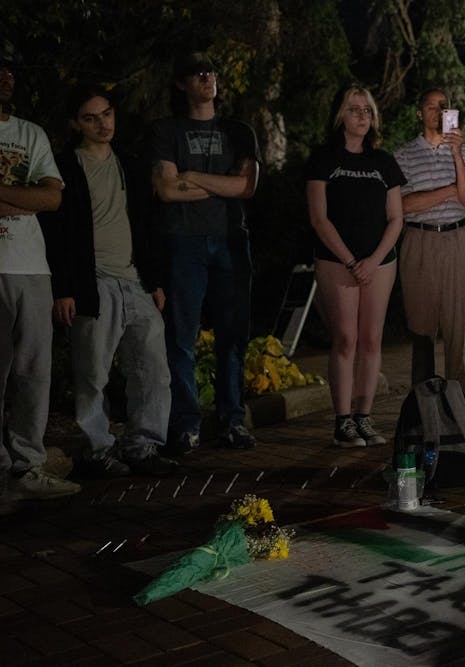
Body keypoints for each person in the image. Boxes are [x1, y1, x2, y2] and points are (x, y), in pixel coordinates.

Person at [39, 84, 177, 478]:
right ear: (75, 123)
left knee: (152, 368)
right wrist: (63, 288)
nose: (102, 124)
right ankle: (97, 450)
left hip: (135, 281)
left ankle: (142, 445)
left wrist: (155, 281)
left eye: (107, 114)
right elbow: (58, 233)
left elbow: (146, 226)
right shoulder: (66, 166)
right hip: (93, 283)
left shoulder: (129, 165)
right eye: (91, 117)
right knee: (92, 373)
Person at [150, 52, 261, 455]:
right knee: (182, 336)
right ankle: (186, 423)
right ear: (181, 83)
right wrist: (222, 183)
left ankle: (232, 420)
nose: (207, 78)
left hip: (231, 238)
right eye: (198, 73)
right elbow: (164, 189)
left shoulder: (238, 130)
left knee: (233, 334)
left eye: (211, 71)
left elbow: (247, 186)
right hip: (183, 241)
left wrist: (192, 176)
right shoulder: (167, 130)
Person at [0, 51, 81, 505]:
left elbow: (52, 200)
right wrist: (25, 198)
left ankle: (27, 466)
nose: (7, 77)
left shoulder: (30, 133)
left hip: (32, 266)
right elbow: (37, 197)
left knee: (34, 372)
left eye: (11, 68)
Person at [305, 86, 405, 447]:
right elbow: (319, 218)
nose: (363, 115)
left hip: (379, 263)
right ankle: (342, 420)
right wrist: (350, 261)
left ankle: (364, 417)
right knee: (345, 339)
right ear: (340, 116)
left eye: (368, 109)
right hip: (336, 261)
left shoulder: (384, 163)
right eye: (354, 109)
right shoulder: (323, 160)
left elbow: (396, 218)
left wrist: (373, 261)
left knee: (370, 340)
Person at [394, 88, 465, 397]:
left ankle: (458, 409)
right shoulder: (402, 155)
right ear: (420, 113)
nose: (436, 111)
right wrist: (448, 191)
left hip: (459, 240)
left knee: (457, 331)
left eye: (442, 106)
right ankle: (422, 409)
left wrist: (456, 154)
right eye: (430, 106)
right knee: (421, 331)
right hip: (419, 241)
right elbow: (403, 206)